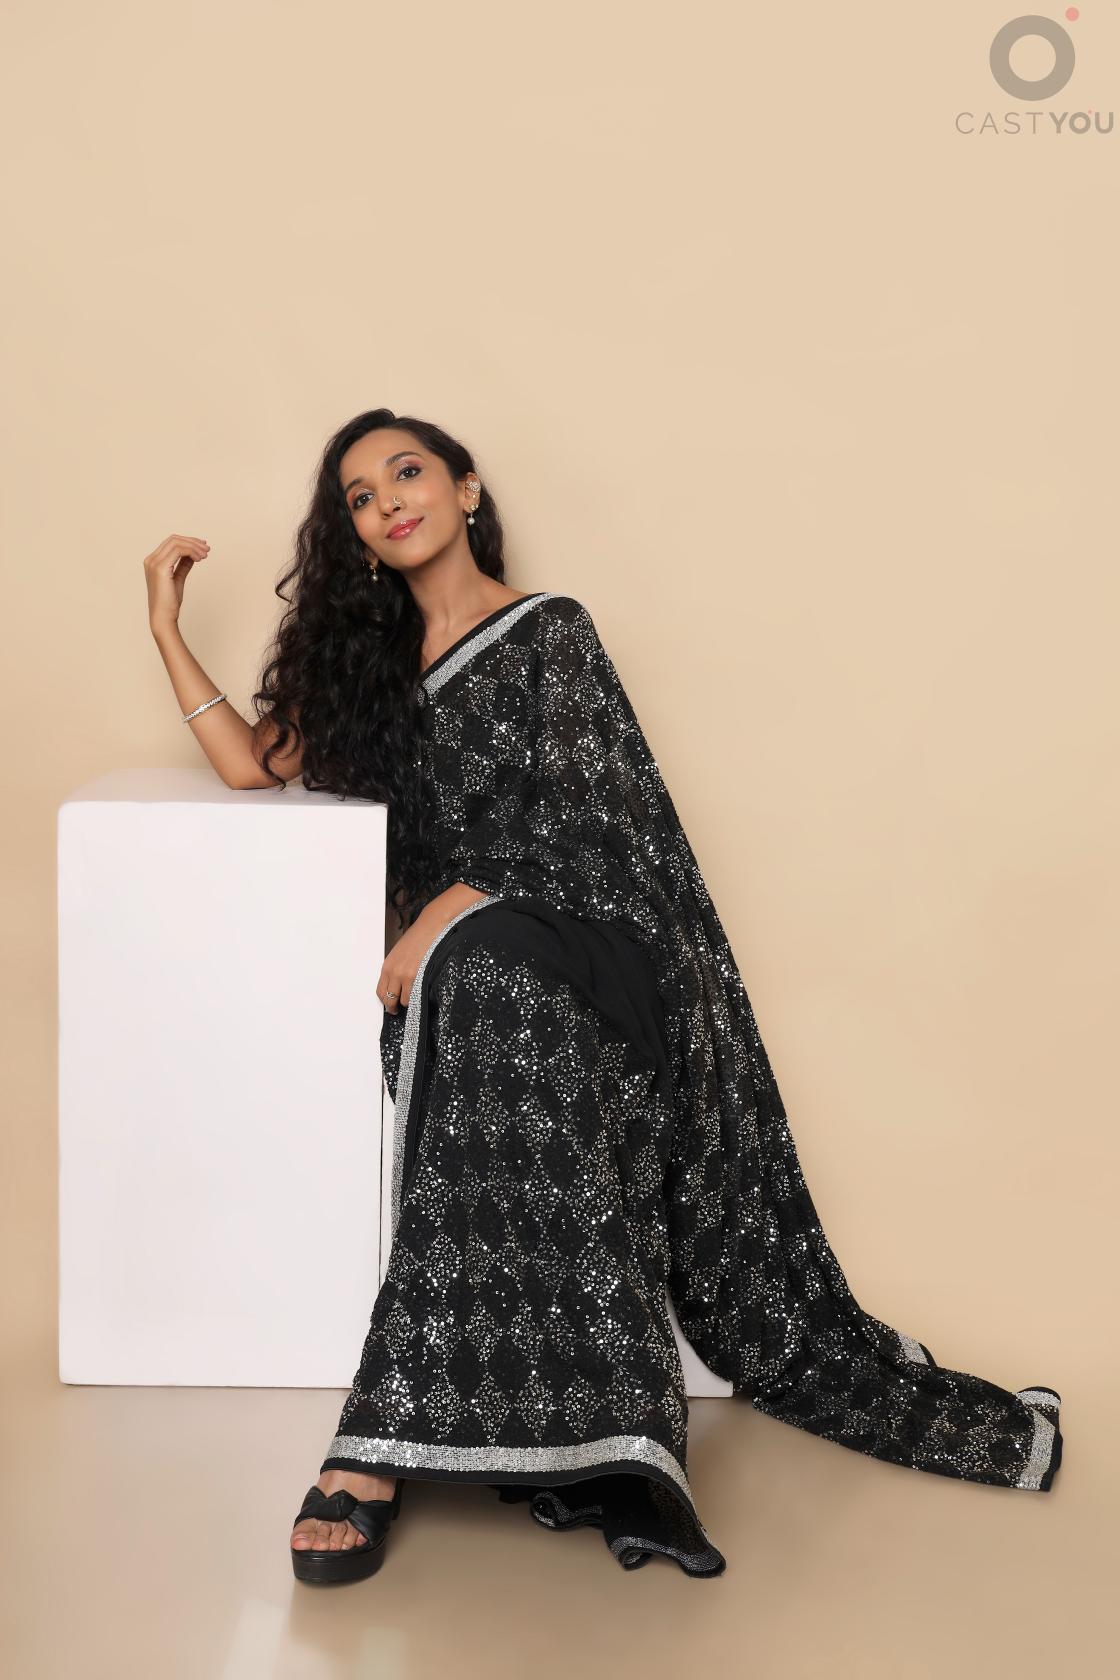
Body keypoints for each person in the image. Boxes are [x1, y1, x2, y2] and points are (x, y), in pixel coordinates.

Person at [145, 408, 1063, 1583]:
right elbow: (248, 762)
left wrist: (443, 907)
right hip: (480, 962)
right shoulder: (371, 669)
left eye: (407, 473)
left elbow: (596, 824)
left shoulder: (548, 631)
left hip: (590, 939)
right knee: (484, 989)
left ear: (466, 489)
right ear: (356, 538)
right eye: (361, 498)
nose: (387, 503)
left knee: (487, 972)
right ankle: (581, 1432)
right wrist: (166, 627)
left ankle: (374, 1452)